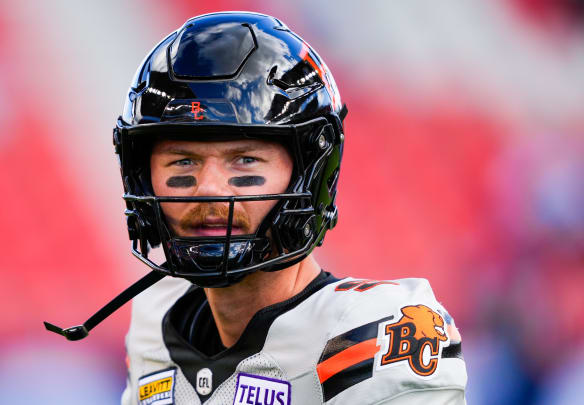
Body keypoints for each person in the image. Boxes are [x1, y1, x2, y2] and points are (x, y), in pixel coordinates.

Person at [111, 11, 467, 404]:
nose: (208, 189)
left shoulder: (368, 333)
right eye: (182, 161)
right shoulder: (153, 329)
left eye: (244, 159)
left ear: (307, 174)